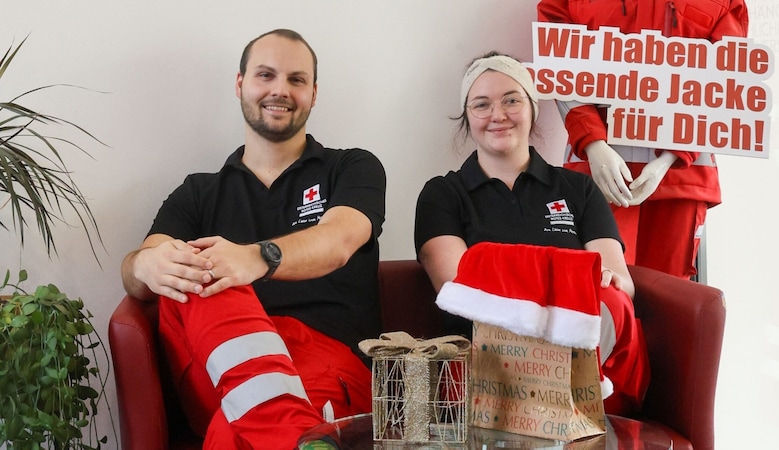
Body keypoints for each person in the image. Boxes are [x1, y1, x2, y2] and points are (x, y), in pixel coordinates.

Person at [120, 29, 386, 450]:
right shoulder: (198, 191)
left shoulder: (352, 167)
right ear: (240, 83)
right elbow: (137, 275)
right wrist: (144, 266)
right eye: (266, 75)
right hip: (216, 365)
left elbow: (338, 240)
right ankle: (294, 435)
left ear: (313, 94)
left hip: (326, 357)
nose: (280, 89)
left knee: (233, 431)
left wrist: (257, 258)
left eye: (297, 79)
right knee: (193, 265)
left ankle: (282, 431)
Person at [414, 52, 649, 415]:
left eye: (512, 100)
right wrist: (572, 276)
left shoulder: (579, 189)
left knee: (613, 302)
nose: (498, 115)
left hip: (585, 356)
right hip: (491, 365)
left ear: (533, 108)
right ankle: (557, 412)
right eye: (481, 104)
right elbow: (459, 287)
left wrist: (505, 271)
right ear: (467, 117)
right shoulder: (442, 195)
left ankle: (576, 411)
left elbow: (620, 284)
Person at [537, 0, 750, 279]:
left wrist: (671, 157)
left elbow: (726, 77)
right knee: (600, 292)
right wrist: (593, 143)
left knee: (668, 298)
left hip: (680, 178)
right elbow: (559, 62)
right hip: (599, 173)